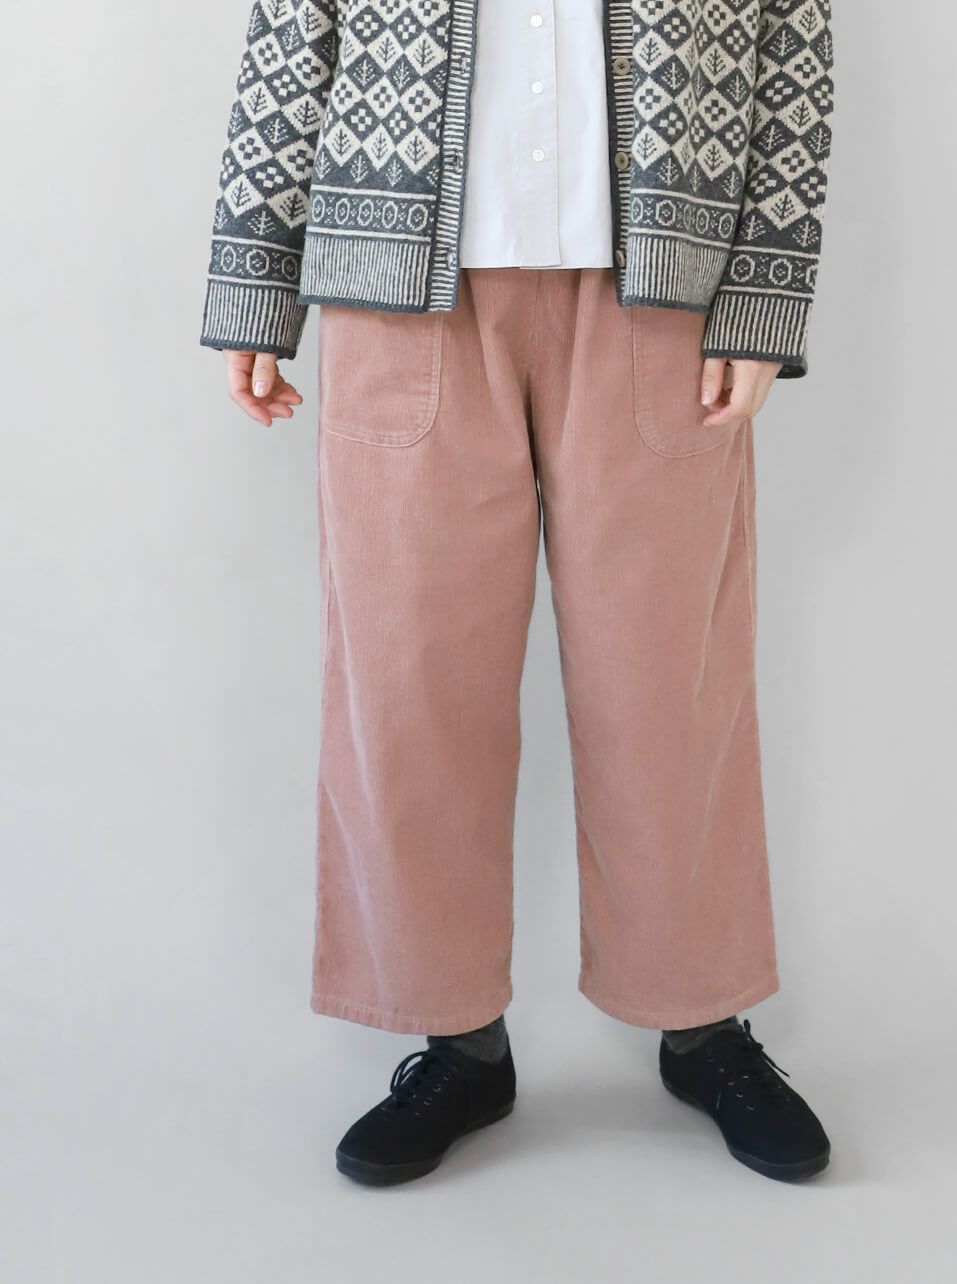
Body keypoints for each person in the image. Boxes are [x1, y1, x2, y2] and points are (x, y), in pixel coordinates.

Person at [201, 0, 836, 1186]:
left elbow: (790, 37)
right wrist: (253, 278)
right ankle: (455, 1040)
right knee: (408, 681)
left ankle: (700, 1022)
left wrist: (761, 294)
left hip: (658, 290)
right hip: (402, 288)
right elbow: (292, 28)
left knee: (666, 688)